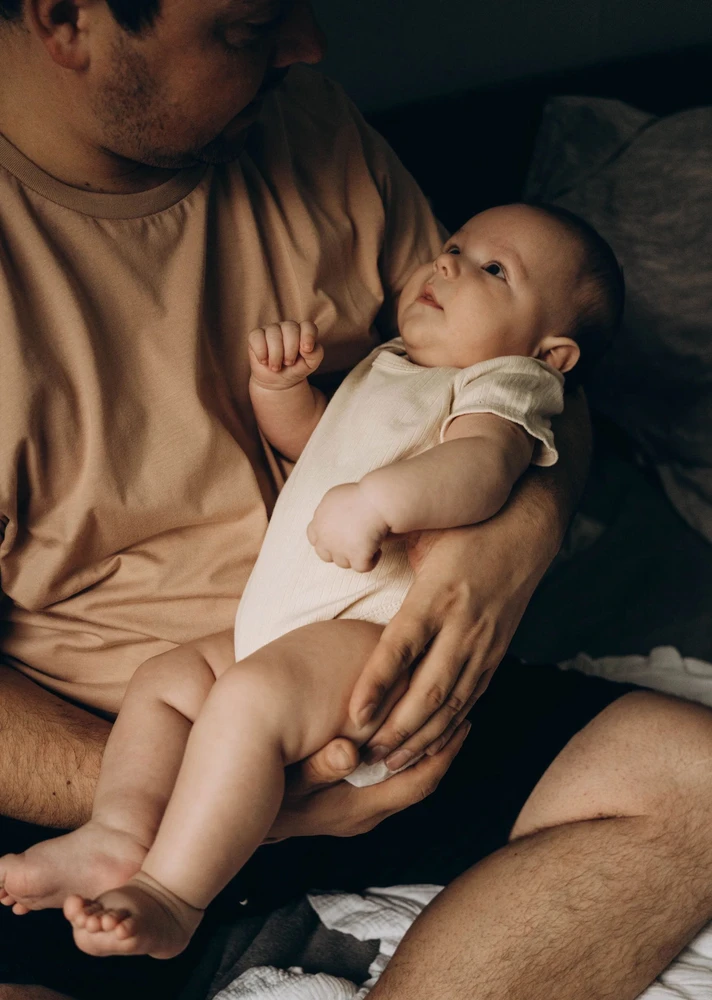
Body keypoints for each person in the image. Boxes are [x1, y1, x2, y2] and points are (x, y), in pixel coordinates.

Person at [2, 2, 712, 999]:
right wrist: (210, 799)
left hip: (373, 675)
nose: (309, 46)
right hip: (106, 746)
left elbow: (533, 395)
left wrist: (515, 538)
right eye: (249, 27)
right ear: (67, 21)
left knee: (702, 788)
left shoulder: (310, 125)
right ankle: (144, 865)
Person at [0, 201, 621, 959]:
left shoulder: (505, 385)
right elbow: (318, 443)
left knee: (246, 703)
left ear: (553, 355)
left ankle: (173, 895)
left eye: (495, 270)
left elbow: (484, 471)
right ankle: (117, 833)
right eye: (455, 246)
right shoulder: (392, 365)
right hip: (289, 628)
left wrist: (380, 502)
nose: (449, 264)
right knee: (164, 681)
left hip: (371, 639)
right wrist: (282, 392)